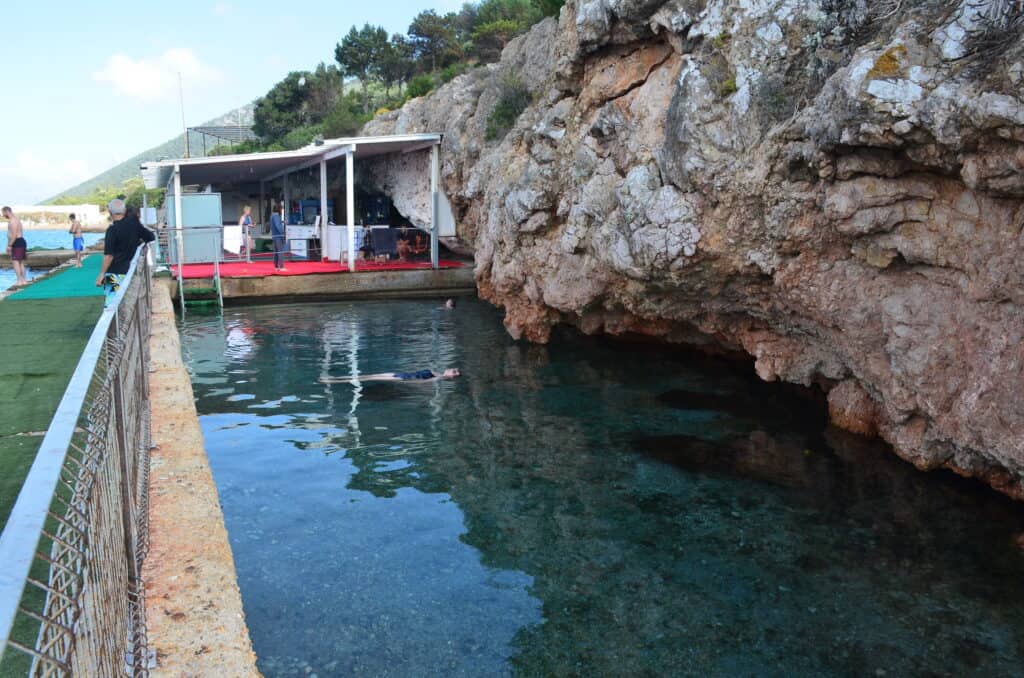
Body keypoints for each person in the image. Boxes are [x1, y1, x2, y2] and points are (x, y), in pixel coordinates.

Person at [95, 199, 155, 303]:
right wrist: (138, 241)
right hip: (131, 270)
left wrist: (101, 274)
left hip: (115, 272)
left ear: (110, 212)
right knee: (129, 304)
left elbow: (109, 256)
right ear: (124, 210)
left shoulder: (112, 230)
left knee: (111, 304)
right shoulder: (134, 225)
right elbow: (151, 236)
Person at [319, 368, 460, 384]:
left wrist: (403, 382)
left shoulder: (440, 377)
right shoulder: (437, 372)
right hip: (400, 374)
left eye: (454, 372)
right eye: (455, 369)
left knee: (369, 378)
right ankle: (334, 378)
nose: (454, 370)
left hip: (402, 378)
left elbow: (421, 382)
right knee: (369, 375)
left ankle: (331, 381)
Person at [2, 206, 28, 286]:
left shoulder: (13, 221)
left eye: (3, 213)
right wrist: (8, 244)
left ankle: (19, 281)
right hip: (19, 242)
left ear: (7, 212)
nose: (3, 215)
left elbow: (14, 235)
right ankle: (23, 280)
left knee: (16, 262)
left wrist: (9, 245)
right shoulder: (16, 219)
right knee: (20, 262)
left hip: (17, 242)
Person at [270, 201, 287, 271]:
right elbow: (278, 226)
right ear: (279, 209)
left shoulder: (272, 215)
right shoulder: (276, 216)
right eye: (281, 208)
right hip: (278, 236)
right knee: (280, 251)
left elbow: (273, 225)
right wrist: (283, 233)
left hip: (274, 235)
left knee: (276, 252)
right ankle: (282, 267)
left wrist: (282, 222)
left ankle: (276, 266)